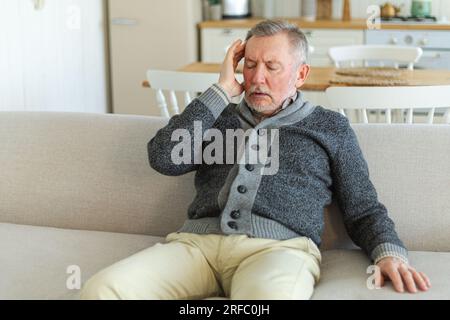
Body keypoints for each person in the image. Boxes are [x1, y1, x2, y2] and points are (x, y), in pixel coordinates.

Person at [80, 20, 431, 300]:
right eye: (249, 65)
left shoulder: (329, 127)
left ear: (301, 74)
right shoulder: (218, 116)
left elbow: (364, 208)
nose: (257, 78)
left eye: (272, 67)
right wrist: (218, 93)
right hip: (196, 246)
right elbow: (163, 158)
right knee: (101, 291)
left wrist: (389, 253)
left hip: (279, 251)